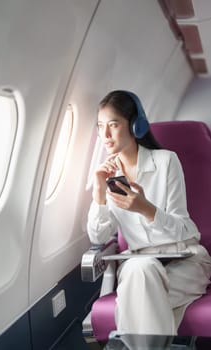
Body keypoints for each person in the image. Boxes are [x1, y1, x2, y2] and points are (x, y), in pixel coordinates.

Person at [87, 90, 211, 335]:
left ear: (136, 125)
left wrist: (146, 209)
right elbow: (98, 238)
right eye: (101, 127)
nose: (106, 135)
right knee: (140, 269)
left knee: (137, 292)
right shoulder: (108, 175)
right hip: (139, 264)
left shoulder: (166, 161)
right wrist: (99, 192)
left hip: (184, 261)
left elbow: (185, 230)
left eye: (113, 125)